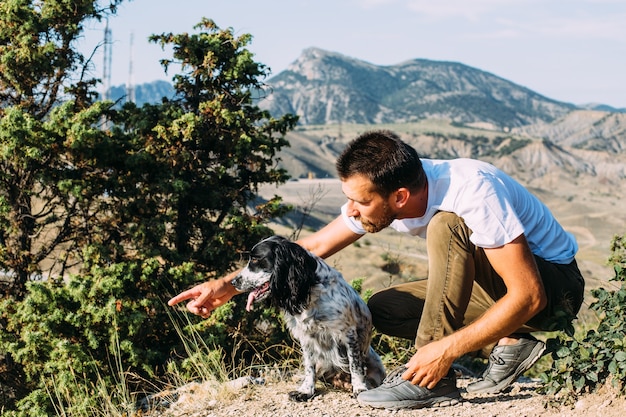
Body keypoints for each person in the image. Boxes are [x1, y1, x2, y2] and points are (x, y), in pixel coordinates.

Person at [168, 129, 585, 410]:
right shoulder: (383, 195)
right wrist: (227, 286)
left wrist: (444, 349)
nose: (351, 210)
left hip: (554, 292)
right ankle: (512, 343)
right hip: (503, 292)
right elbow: (309, 248)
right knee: (382, 309)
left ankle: (432, 382)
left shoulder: (471, 190)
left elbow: (530, 295)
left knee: (446, 225)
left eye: (360, 202)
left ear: (400, 196)